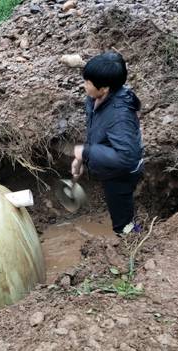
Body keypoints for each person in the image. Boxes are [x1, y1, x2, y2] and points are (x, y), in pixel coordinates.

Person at [71, 51, 144, 234]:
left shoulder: (120, 116)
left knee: (122, 222)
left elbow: (126, 157)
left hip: (121, 173)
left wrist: (86, 152)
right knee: (119, 206)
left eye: (87, 82)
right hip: (108, 165)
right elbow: (97, 131)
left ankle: (133, 241)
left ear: (104, 88)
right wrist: (80, 159)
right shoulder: (96, 98)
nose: (84, 85)